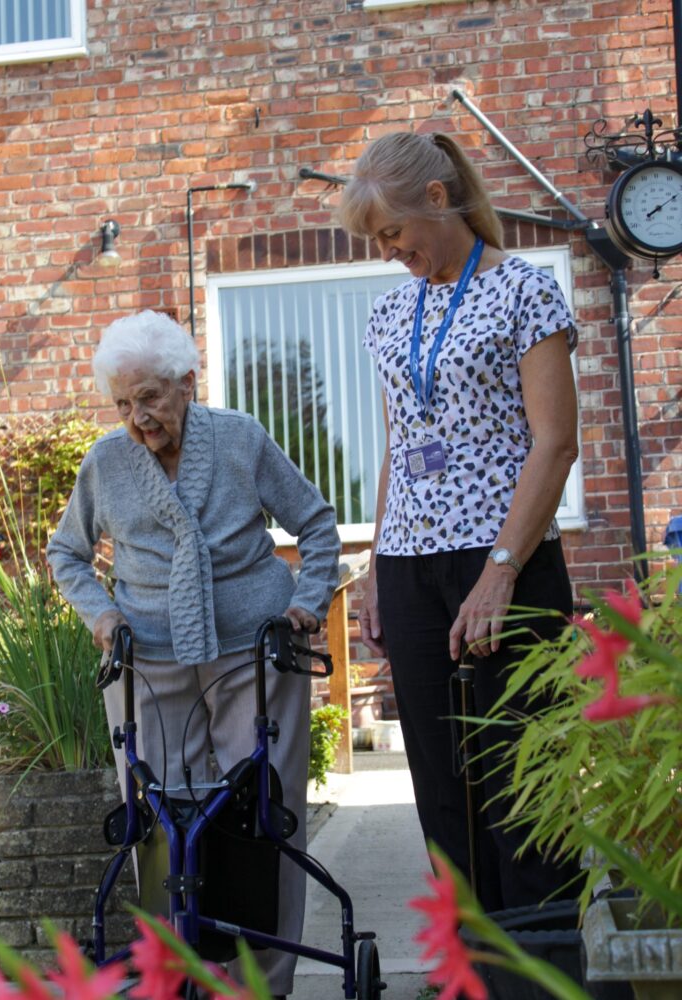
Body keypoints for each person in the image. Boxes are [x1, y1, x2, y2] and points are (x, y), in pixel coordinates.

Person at [46, 310, 340, 998]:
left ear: (186, 382)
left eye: (148, 398)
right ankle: (178, 977)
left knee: (266, 818)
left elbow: (318, 524)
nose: (136, 418)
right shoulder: (106, 462)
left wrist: (309, 599)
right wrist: (101, 613)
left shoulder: (238, 439)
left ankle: (264, 982)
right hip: (148, 657)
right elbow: (67, 554)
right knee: (160, 825)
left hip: (257, 653)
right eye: (122, 403)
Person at [338, 131, 581, 912]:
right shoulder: (387, 313)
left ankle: (541, 975)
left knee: (521, 782)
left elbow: (556, 441)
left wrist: (503, 569)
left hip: (503, 557)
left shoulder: (525, 291)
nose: (387, 252)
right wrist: (378, 567)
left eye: (391, 234)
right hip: (412, 565)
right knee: (443, 794)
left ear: (438, 199)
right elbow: (399, 447)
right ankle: (472, 969)